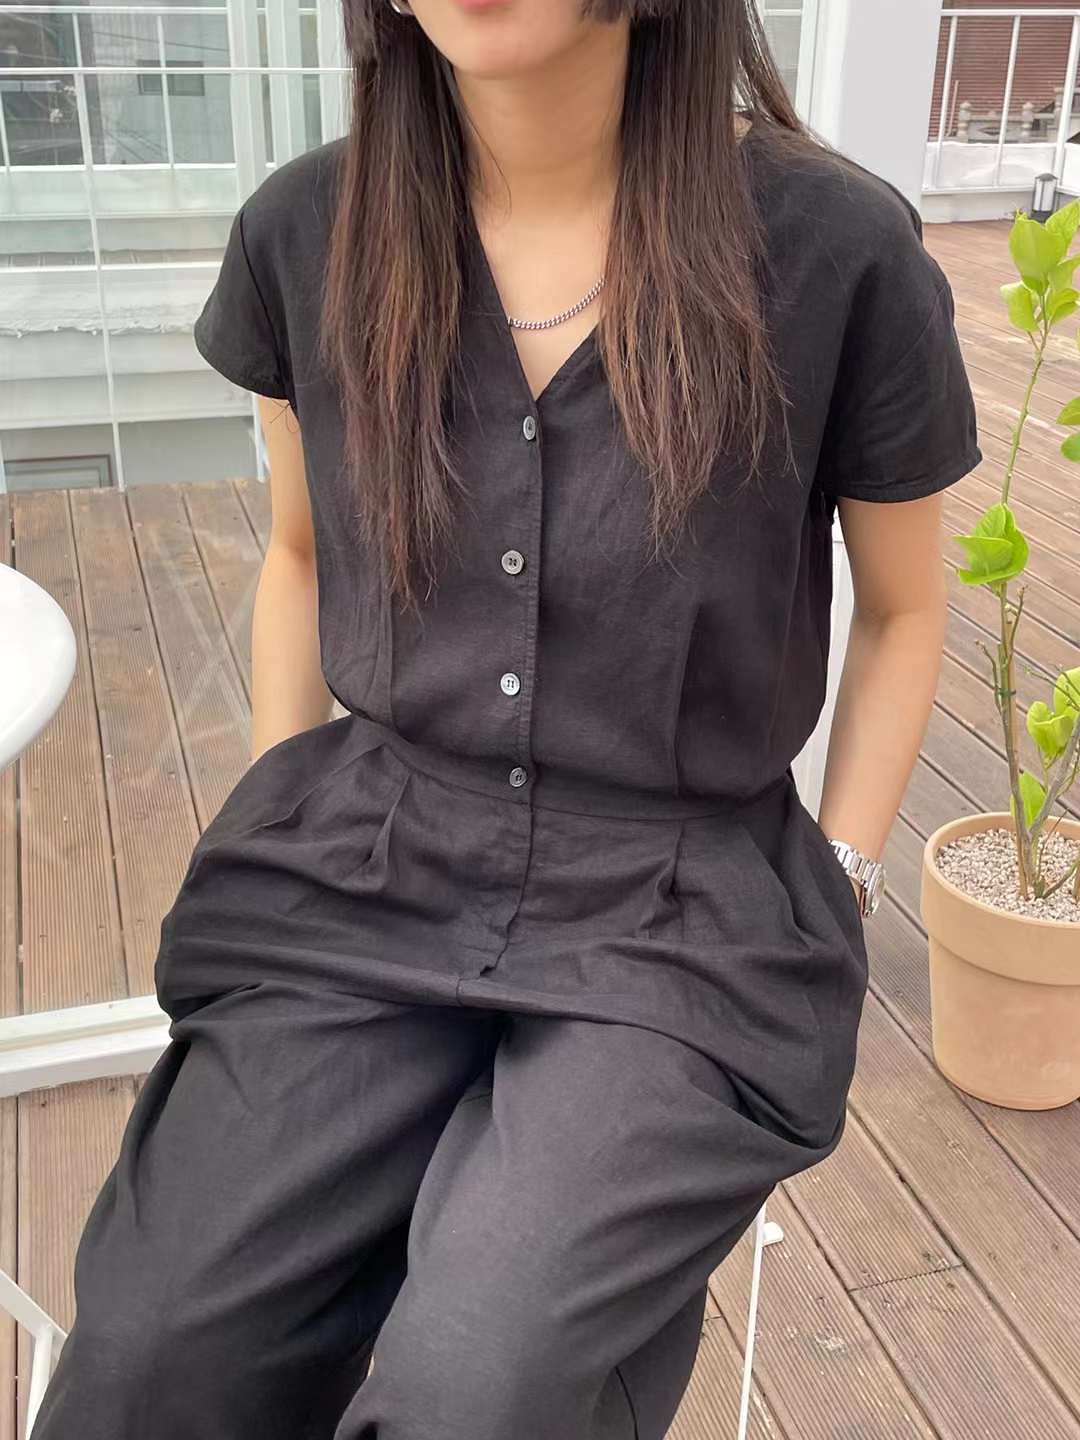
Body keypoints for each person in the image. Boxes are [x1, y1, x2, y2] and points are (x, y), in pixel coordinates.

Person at [31, 1, 982, 1437]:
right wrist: (290, 801)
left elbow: (905, 611)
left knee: (480, 1384)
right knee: (154, 1349)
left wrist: (839, 875)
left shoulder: (835, 250)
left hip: (680, 906)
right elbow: (300, 554)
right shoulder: (307, 229)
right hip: (368, 861)